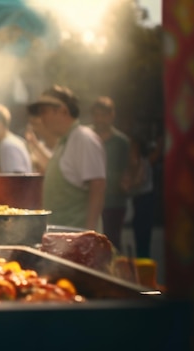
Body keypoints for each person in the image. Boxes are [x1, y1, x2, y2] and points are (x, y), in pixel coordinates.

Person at [28, 85, 106, 232]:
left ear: (63, 110)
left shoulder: (83, 138)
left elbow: (98, 185)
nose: (41, 118)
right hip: (62, 238)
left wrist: (89, 233)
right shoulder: (65, 142)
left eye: (44, 111)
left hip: (78, 240)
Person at [90, 96, 130, 251]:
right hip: (89, 200)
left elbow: (126, 172)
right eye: (97, 115)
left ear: (111, 116)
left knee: (112, 245)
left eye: (103, 115)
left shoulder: (121, 142)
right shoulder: (85, 137)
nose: (100, 119)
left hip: (113, 203)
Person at [122, 136, 154, 258]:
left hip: (145, 199)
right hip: (137, 199)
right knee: (138, 230)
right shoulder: (132, 161)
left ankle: (143, 257)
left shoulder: (143, 161)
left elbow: (138, 180)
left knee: (143, 232)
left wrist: (127, 184)